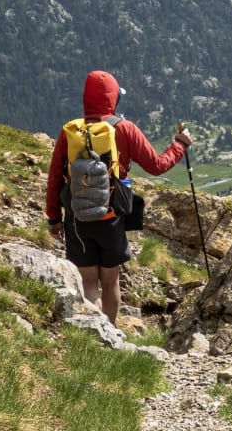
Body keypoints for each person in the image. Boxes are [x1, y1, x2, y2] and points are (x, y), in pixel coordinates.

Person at [45, 70, 191, 324]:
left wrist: (54, 218)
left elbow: (55, 177)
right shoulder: (125, 128)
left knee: (88, 281)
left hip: (77, 217)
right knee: (110, 281)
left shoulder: (70, 131)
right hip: (111, 217)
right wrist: (180, 144)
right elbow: (157, 165)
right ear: (113, 98)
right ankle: (108, 333)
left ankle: (92, 334)